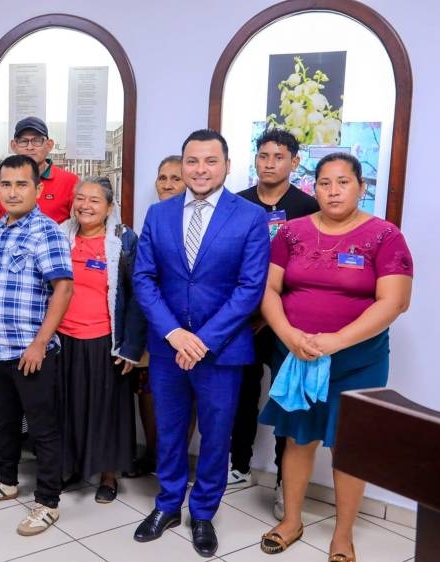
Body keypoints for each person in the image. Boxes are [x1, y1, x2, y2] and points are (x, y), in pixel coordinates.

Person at [256, 153, 412, 562]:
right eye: (324, 183)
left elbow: (395, 302)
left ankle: (343, 535)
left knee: (350, 446)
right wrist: (289, 335)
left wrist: (337, 340)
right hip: (298, 355)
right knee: (296, 439)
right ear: (314, 188)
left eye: (343, 182)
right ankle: (292, 520)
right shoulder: (290, 233)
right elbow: (269, 291)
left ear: (361, 187)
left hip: (357, 362)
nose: (333, 191)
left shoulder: (385, 236)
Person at [132, 129, 270, 557]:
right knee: (170, 430)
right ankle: (168, 503)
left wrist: (203, 341)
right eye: (192, 161)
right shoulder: (159, 214)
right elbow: (144, 278)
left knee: (215, 435)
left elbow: (250, 288)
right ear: (182, 165)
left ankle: (204, 512)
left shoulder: (248, 217)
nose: (200, 169)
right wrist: (174, 334)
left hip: (222, 350)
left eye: (211, 161)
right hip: (167, 347)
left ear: (227, 166)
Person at [0, 155, 74, 537]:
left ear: (38, 189)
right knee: (5, 423)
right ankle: (7, 481)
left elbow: (63, 287)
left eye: (21, 184)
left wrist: (40, 344)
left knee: (43, 430)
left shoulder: (46, 231)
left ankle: (47, 502)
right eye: (6, 184)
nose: (12, 192)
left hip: (30, 352)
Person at [230, 129, 320, 512]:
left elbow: (309, 269)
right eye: (263, 155)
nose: (269, 163)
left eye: (278, 156)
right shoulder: (237, 204)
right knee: (241, 393)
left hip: (286, 321)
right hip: (243, 320)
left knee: (287, 399)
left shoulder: (308, 207)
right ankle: (238, 465)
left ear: (294, 162)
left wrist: (272, 315)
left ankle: (286, 483)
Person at [57, 177, 146, 504]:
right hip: (63, 337)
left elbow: (139, 296)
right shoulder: (60, 235)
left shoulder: (124, 241)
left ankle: (108, 475)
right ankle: (69, 468)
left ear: (110, 207)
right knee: (66, 407)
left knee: (107, 410)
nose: (85, 205)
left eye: (94, 200)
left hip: (106, 340)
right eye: (80, 198)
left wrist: (131, 347)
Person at [126, 154, 187, 477]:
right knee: (148, 390)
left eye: (175, 178)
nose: (167, 184)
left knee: (185, 395)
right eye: (162, 178)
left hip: (190, 326)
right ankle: (152, 454)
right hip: (153, 322)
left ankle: (172, 462)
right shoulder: (153, 218)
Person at [0, 116, 79, 223]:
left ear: (49, 145)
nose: (30, 147)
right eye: (23, 141)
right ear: (14, 146)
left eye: (37, 140)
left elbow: (78, 228)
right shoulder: (0, 184)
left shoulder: (70, 182)